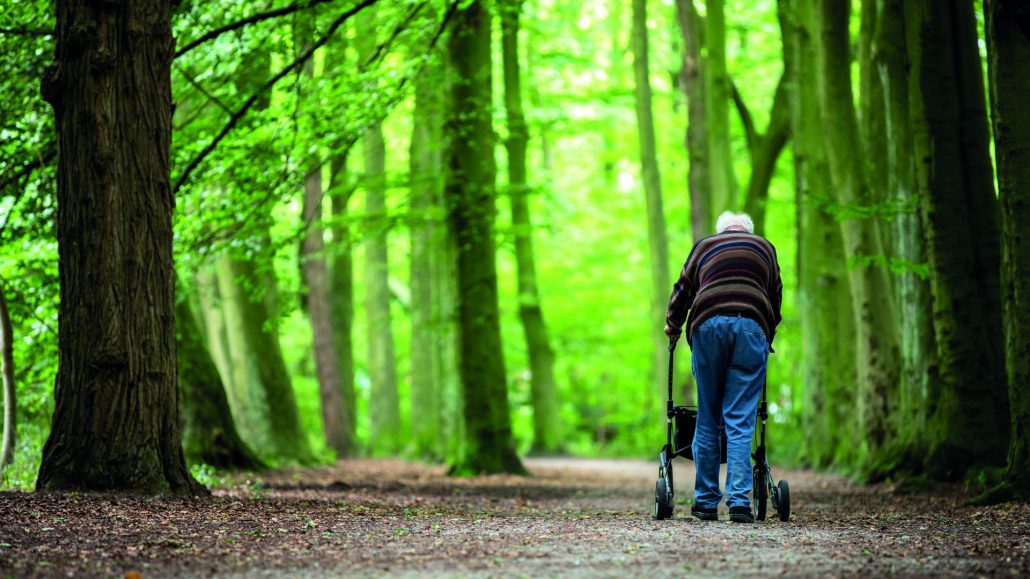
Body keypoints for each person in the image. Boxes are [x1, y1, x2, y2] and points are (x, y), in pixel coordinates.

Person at [663, 211, 782, 523]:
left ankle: (705, 502)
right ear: (747, 231)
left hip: (708, 325)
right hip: (752, 327)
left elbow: (683, 289)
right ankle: (740, 502)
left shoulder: (704, 246)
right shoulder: (765, 248)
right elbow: (775, 296)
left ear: (722, 231)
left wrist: (672, 325)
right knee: (741, 421)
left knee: (709, 416)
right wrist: (766, 331)